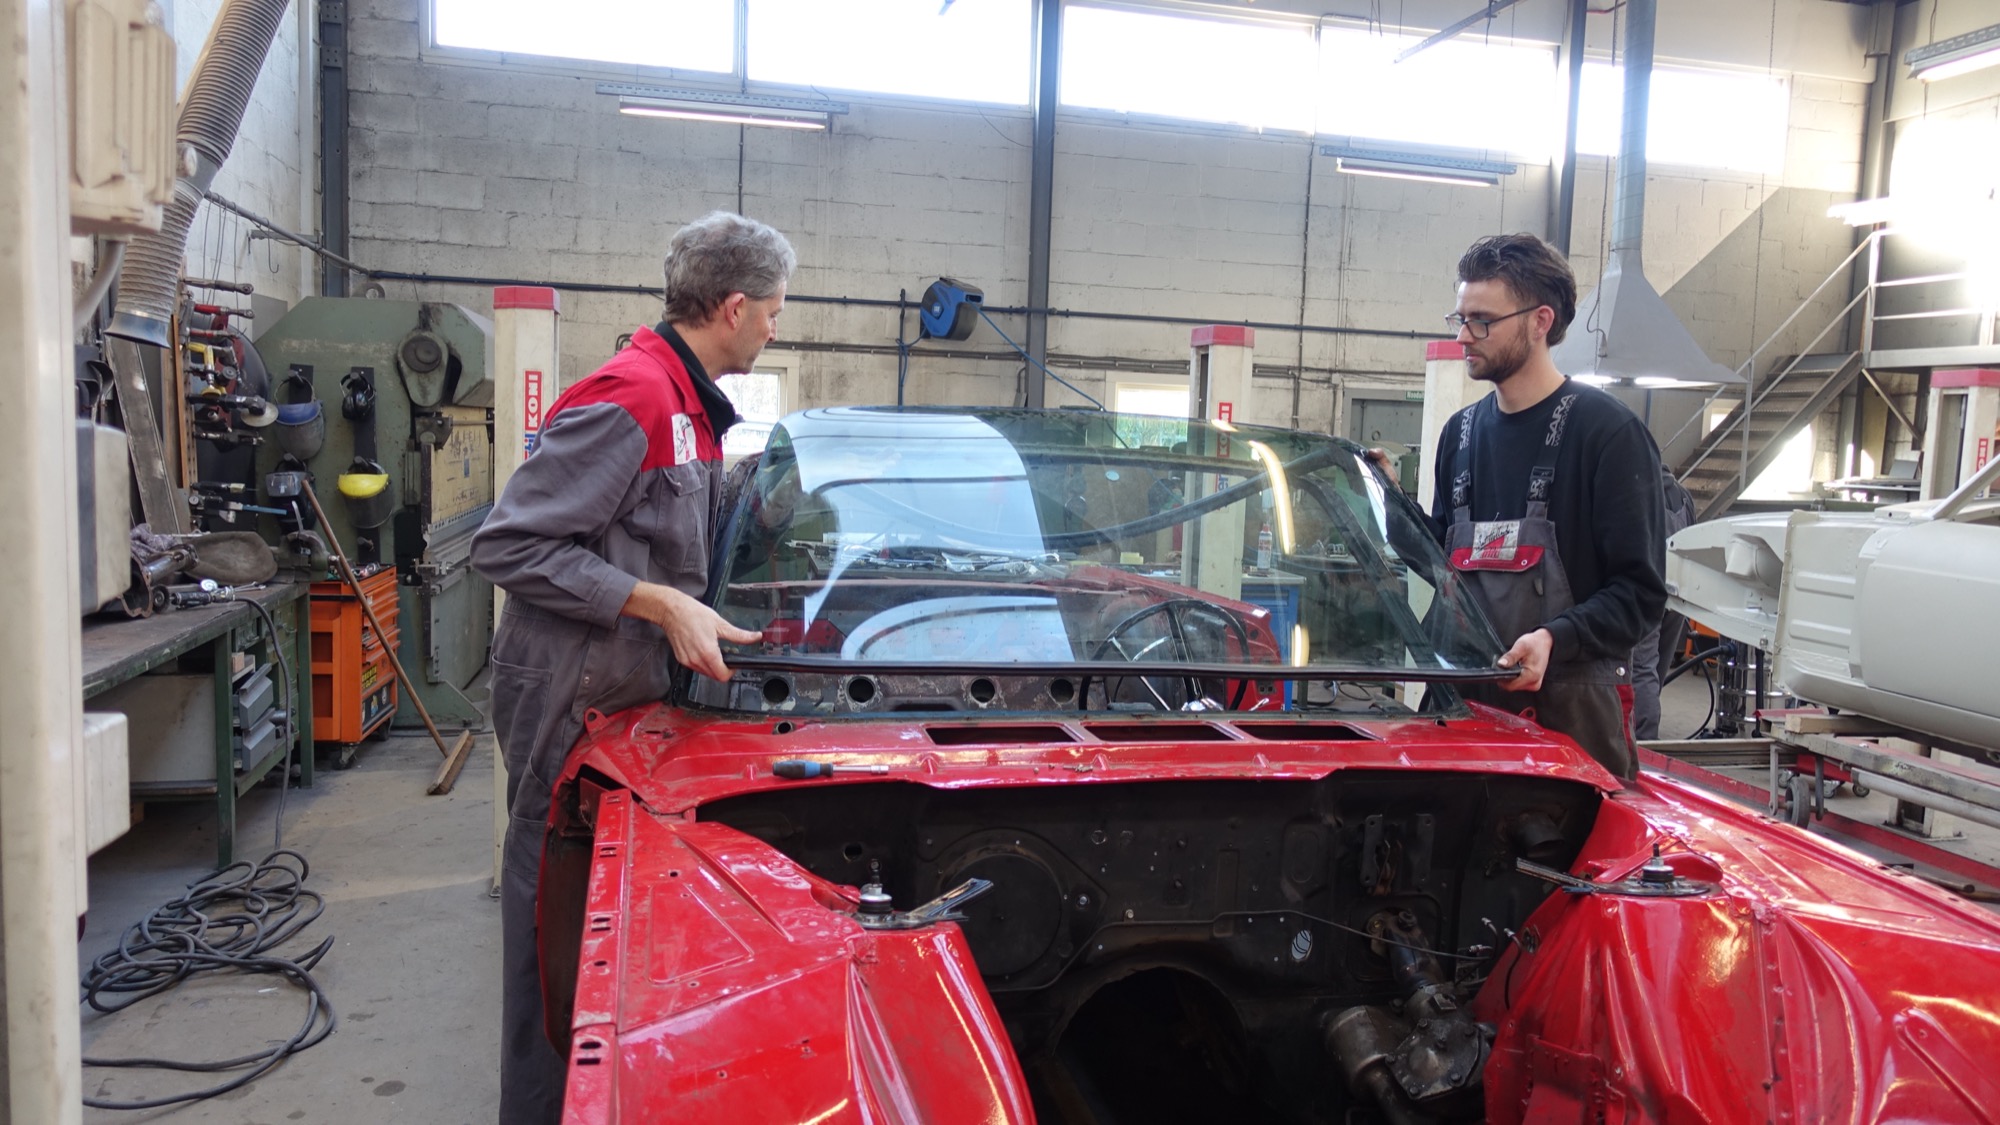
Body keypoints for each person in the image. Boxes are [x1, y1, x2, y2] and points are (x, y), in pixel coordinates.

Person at [470, 211, 793, 1124]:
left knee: (600, 931)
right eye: (773, 311)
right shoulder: (635, 396)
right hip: (569, 690)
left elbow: (662, 521)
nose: (775, 328)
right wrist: (659, 603)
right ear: (733, 307)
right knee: (551, 921)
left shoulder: (689, 405)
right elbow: (509, 545)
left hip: (619, 692)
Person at [1410, 233, 1668, 779]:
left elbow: (1640, 595)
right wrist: (1386, 512)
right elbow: (1444, 566)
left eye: (1482, 321)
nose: (1463, 335)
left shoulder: (1608, 434)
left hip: (1569, 736)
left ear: (1540, 321)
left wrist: (1555, 638)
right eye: (1460, 318)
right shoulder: (1460, 435)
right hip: (1461, 720)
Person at [1630, 465, 1694, 740]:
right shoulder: (1683, 495)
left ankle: (1643, 742)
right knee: (1654, 672)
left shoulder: (1637, 489)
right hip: (1677, 593)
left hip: (1647, 589)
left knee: (1641, 669)